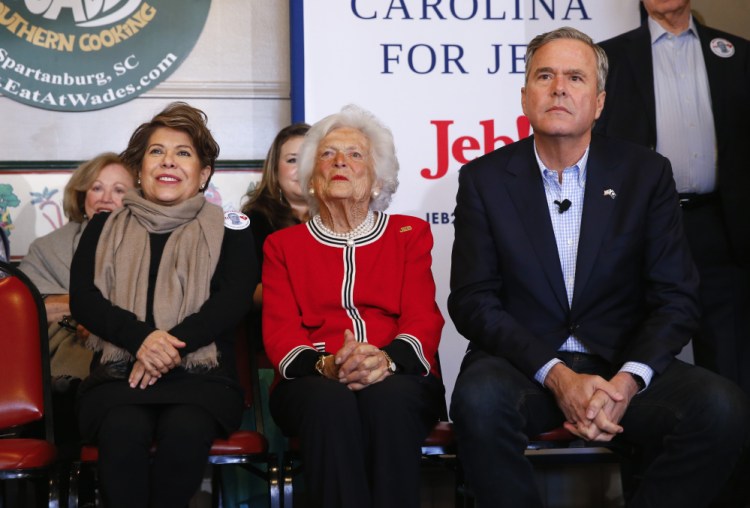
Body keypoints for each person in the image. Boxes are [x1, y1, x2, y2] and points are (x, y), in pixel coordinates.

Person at [448, 27, 750, 508]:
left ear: (600, 101)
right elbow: (473, 300)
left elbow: (676, 298)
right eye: (544, 76)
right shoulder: (484, 179)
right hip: (525, 365)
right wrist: (558, 376)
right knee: (478, 403)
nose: (559, 88)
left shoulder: (646, 173)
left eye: (575, 77)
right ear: (525, 95)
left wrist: (627, 381)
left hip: (619, 361)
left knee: (721, 408)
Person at [69, 102, 257, 508]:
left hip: (202, 382)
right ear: (139, 169)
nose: (168, 161)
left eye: (183, 153)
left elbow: (231, 301)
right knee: (122, 430)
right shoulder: (102, 227)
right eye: (157, 151)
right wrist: (142, 341)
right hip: (119, 378)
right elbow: (84, 300)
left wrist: (164, 347)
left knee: (185, 432)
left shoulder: (232, 230)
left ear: (204, 173)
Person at [262, 104, 445, 508]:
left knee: (389, 398)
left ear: (378, 179)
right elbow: (280, 332)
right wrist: (327, 365)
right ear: (312, 179)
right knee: (329, 401)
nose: (340, 161)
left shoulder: (408, 234)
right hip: (312, 380)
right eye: (328, 154)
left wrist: (384, 360)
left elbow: (422, 317)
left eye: (355, 154)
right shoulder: (282, 246)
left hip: (398, 374)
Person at [594, 0, 750, 399]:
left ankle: (737, 461)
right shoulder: (609, 56)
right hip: (641, 228)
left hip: (722, 228)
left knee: (733, 367)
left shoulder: (737, 53)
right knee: (639, 361)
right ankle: (650, 462)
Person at [18, 152, 135, 455]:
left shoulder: (151, 246)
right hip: (59, 373)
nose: (105, 198)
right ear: (82, 194)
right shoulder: (47, 249)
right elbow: (25, 310)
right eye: (97, 188)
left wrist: (94, 313)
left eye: (119, 190)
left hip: (131, 365)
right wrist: (91, 309)